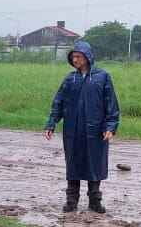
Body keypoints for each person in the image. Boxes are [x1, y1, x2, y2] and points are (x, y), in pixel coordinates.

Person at [44, 40, 120, 214]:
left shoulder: (102, 77)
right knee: (73, 164)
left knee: (95, 164)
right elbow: (59, 102)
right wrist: (51, 123)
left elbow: (111, 104)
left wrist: (110, 126)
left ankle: (95, 201)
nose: (75, 60)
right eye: (73, 57)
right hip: (73, 130)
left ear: (88, 56)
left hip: (96, 131)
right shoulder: (70, 78)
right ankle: (71, 201)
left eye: (78, 56)